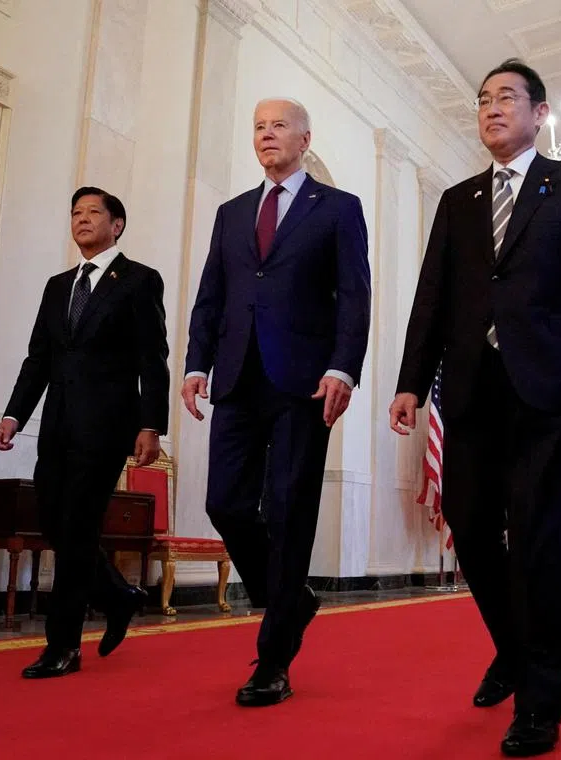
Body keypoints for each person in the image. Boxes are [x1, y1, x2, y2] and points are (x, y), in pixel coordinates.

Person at [389, 59, 561, 757]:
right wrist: (410, 380)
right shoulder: (458, 199)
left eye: (507, 98)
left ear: (539, 113)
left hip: (546, 386)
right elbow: (431, 297)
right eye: (484, 100)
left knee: (537, 540)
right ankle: (512, 647)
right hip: (469, 386)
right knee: (468, 527)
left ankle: (539, 703)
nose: (492, 108)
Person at [182, 97, 371, 706]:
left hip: (304, 382)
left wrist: (344, 366)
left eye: (278, 126)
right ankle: (292, 600)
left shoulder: (338, 209)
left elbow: (354, 294)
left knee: (290, 512)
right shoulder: (232, 213)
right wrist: (194, 364)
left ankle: (272, 661)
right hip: (236, 378)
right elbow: (212, 295)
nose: (266, 135)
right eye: (258, 126)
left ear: (304, 137)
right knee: (225, 503)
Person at [0, 186, 170, 678]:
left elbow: (152, 359)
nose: (82, 219)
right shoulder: (57, 285)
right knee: (52, 520)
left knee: (77, 526)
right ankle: (118, 595)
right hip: (57, 424)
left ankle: (63, 646)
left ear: (117, 225)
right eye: (75, 213)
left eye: (93, 212)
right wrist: (13, 415)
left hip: (109, 425)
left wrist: (151, 425)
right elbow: (38, 360)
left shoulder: (138, 281)